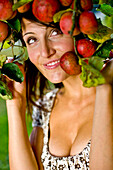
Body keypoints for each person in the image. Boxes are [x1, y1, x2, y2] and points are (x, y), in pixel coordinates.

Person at [6, 6, 113, 170]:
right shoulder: (46, 106)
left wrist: (105, 90)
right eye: (32, 40)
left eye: (54, 32)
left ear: (80, 31)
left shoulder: (110, 94)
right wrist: (14, 103)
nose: (45, 52)